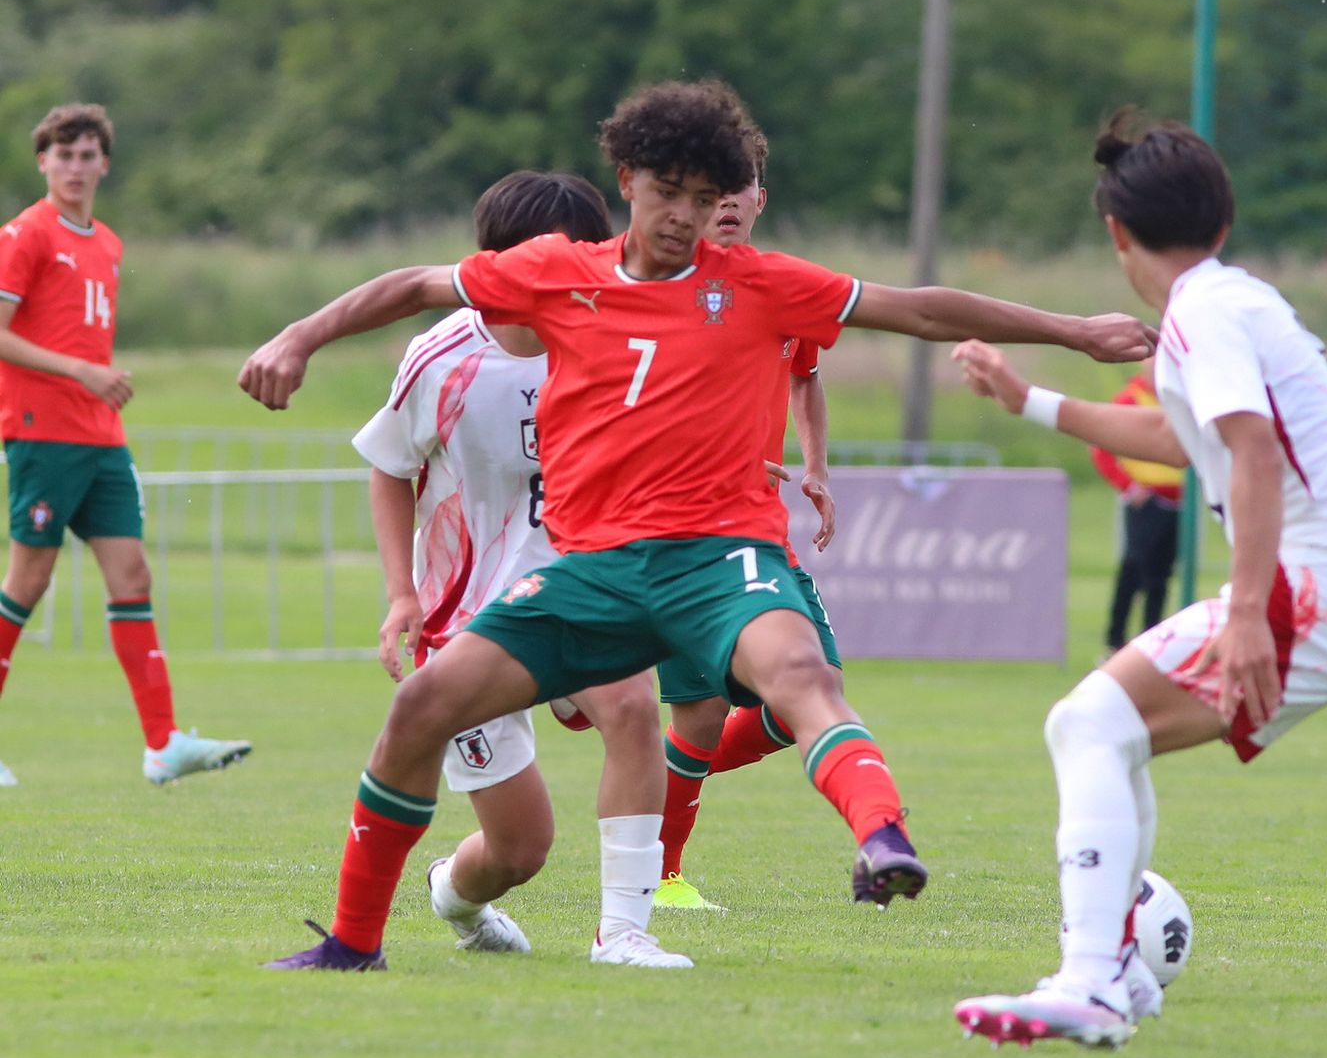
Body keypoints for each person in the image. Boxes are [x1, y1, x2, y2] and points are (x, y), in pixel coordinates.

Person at [242, 79, 1156, 971]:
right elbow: (414, 284)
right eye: (667, 191)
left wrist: (1074, 331)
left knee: (799, 677)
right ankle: (352, 943)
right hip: (592, 570)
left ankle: (878, 840)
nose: (683, 215)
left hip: (720, 561)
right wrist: (298, 336)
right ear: (628, 181)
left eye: (703, 197)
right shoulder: (558, 273)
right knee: (421, 708)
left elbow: (916, 308)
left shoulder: (759, 284)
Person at [951, 109, 1327, 1050]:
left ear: (1115, 232)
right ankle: (1115, 975)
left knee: (1088, 723)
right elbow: (1181, 437)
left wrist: (1246, 614)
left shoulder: (1204, 313)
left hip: (1323, 581)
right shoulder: (1230, 301)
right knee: (1105, 730)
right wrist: (1030, 399)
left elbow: (1253, 450)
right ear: (1223, 222)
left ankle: (1091, 980)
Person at [353, 170, 689, 967]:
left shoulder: (613, 345)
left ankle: (624, 933)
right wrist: (401, 593)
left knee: (634, 707)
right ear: (495, 264)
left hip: (578, 589)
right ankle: (453, 893)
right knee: (519, 850)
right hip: (469, 620)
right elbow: (391, 468)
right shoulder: (441, 357)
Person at [0, 103, 250, 787]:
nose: (75, 167)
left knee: (133, 577)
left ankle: (163, 744)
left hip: (101, 437)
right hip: (43, 431)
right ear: (42, 162)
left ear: (104, 164)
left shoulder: (107, 243)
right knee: (29, 580)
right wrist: (79, 371)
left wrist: (93, 380)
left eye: (87, 155)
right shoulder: (24, 234)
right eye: (63, 155)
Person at [649, 129, 841, 911]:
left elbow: (806, 374)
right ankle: (661, 874)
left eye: (740, 186)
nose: (727, 201)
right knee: (700, 713)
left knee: (809, 694)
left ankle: (651, 779)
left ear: (761, 197)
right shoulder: (661, 288)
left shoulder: (783, 289)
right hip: (682, 531)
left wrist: (815, 465)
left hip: (758, 529)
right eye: (710, 189)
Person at [1089, 360, 1182, 656]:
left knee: (1161, 576)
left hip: (1178, 502)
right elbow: (1100, 447)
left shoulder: (1179, 399)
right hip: (1147, 500)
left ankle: (1151, 642)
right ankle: (1115, 641)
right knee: (1134, 568)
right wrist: (1127, 485)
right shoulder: (1130, 399)